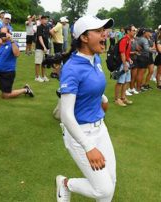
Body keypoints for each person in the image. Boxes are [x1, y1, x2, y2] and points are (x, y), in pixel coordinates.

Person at [57, 16, 116, 202]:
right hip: (80, 134)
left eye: (104, 31)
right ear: (84, 38)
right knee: (104, 190)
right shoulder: (72, 68)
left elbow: (92, 87)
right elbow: (66, 115)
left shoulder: (95, 58)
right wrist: (89, 147)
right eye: (98, 31)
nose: (104, 35)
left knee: (110, 182)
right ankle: (65, 183)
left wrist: (102, 98)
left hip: (101, 129)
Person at [0, 27, 34, 98]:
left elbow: (17, 54)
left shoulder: (13, 43)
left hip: (7, 73)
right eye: (1, 33)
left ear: (9, 33)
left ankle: (25, 90)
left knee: (6, 95)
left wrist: (11, 40)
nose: (3, 35)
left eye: (4, 33)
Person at [114, 25, 136, 107]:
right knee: (120, 82)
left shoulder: (129, 40)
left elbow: (126, 53)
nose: (134, 32)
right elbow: (122, 53)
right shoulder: (124, 40)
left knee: (127, 81)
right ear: (128, 31)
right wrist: (124, 64)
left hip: (126, 62)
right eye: (133, 30)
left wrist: (129, 59)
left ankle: (123, 97)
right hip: (122, 64)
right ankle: (117, 99)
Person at [34, 15, 50, 82]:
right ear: (41, 20)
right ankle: (37, 77)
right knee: (38, 62)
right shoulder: (39, 27)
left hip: (46, 48)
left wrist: (47, 47)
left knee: (44, 62)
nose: (46, 20)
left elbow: (47, 37)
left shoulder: (47, 27)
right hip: (40, 47)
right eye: (44, 19)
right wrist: (44, 46)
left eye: (46, 19)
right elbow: (40, 38)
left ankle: (43, 76)